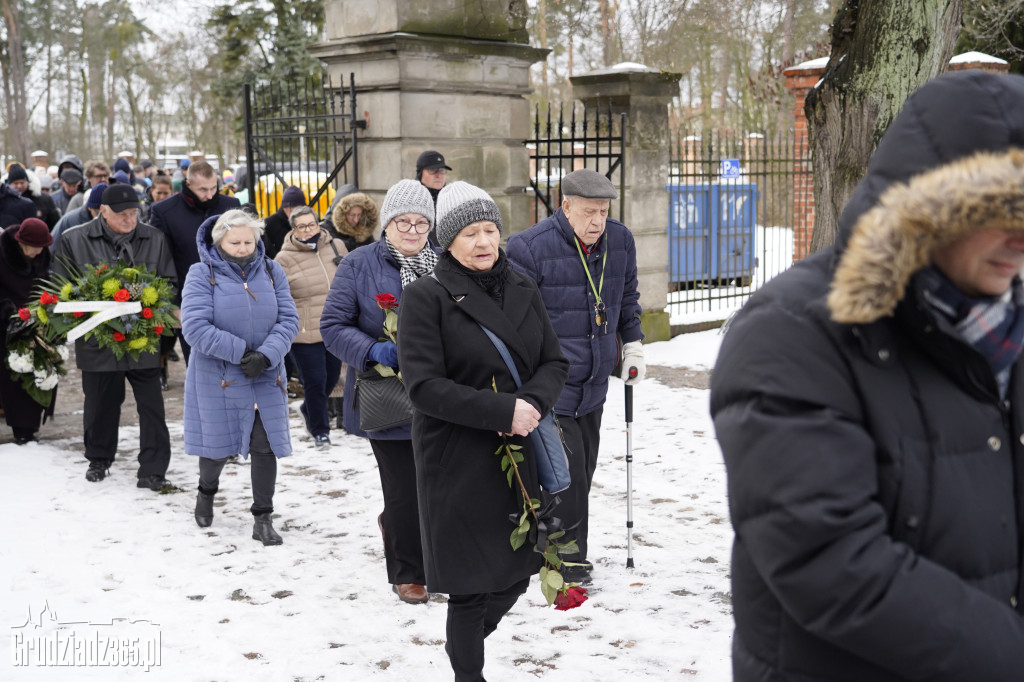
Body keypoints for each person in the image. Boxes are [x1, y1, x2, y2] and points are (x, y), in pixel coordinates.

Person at [710, 71, 1024, 682]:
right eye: (1001, 209)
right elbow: (827, 560)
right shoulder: (791, 333)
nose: (1020, 236)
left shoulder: (1006, 328)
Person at [398, 181, 568, 681]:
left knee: (517, 572)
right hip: (458, 457)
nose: (483, 242)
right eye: (470, 232)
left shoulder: (522, 286)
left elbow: (554, 360)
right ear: (448, 241)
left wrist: (530, 405)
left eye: (490, 230)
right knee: (472, 585)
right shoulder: (426, 297)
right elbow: (425, 388)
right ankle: (468, 674)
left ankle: (462, 648)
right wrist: (503, 412)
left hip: (521, 447)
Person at [506, 168, 645, 584]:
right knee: (566, 478)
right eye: (588, 212)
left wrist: (632, 342)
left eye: (603, 211)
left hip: (595, 385)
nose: (597, 221)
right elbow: (517, 321)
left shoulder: (620, 241)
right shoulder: (528, 248)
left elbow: (629, 298)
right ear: (565, 206)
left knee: (582, 473)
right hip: (552, 389)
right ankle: (565, 562)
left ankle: (555, 550)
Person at [321, 179, 438, 605]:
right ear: (387, 223)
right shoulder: (358, 265)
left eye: (421, 222)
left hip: (441, 393)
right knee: (404, 486)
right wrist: (375, 350)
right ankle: (409, 572)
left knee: (438, 482)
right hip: (386, 395)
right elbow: (332, 327)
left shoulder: (445, 263)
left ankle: (431, 551)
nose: (412, 230)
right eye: (403, 221)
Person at [181, 209, 298, 546]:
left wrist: (267, 354)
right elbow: (195, 327)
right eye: (236, 242)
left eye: (250, 240)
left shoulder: (273, 271)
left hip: (266, 374)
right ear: (220, 241)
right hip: (218, 375)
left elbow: (289, 319)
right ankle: (206, 491)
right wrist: (241, 353)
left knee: (265, 446)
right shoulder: (201, 274)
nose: (244, 247)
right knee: (217, 448)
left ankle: (263, 518)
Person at [52, 184, 177, 489]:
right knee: (100, 403)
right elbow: (60, 287)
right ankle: (99, 458)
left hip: (141, 336)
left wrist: (152, 304)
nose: (130, 220)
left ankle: (153, 468)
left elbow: (169, 282)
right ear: (103, 211)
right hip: (97, 337)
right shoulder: (73, 239)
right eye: (122, 215)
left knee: (151, 406)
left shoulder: (154, 238)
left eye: (135, 213)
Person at [149, 160, 240, 364]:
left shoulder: (231, 206)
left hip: (230, 297)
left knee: (233, 363)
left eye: (213, 188)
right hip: (189, 301)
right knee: (200, 365)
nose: (209, 195)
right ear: (188, 184)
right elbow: (160, 262)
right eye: (203, 190)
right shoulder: (164, 212)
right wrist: (172, 305)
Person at [274, 205, 347, 447]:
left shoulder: (336, 246)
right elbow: (278, 297)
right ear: (293, 229)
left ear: (319, 224)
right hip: (303, 332)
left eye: (312, 224)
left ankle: (308, 409)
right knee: (314, 380)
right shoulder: (283, 259)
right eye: (301, 226)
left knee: (332, 376)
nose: (308, 230)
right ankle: (320, 430)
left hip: (334, 327)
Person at [0, 218, 55, 444]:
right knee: (12, 376)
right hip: (7, 324)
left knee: (39, 369)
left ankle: (30, 427)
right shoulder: (3, 255)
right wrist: (9, 312)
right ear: (20, 242)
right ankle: (19, 428)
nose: (37, 252)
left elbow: (45, 283)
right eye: (33, 247)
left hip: (36, 320)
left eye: (41, 248)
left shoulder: (42, 254)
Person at [51, 183, 105, 250]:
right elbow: (54, 248)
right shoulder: (71, 221)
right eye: (98, 213)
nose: (103, 217)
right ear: (90, 208)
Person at [4, 164, 59, 229]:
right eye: (15, 183)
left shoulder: (43, 199)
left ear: (27, 182)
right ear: (9, 184)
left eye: (22, 183)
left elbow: (55, 222)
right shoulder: (4, 202)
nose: (19, 186)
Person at [263, 185, 306, 259]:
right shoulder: (269, 224)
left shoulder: (307, 220)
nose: (300, 212)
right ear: (286, 208)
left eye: (302, 208)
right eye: (297, 208)